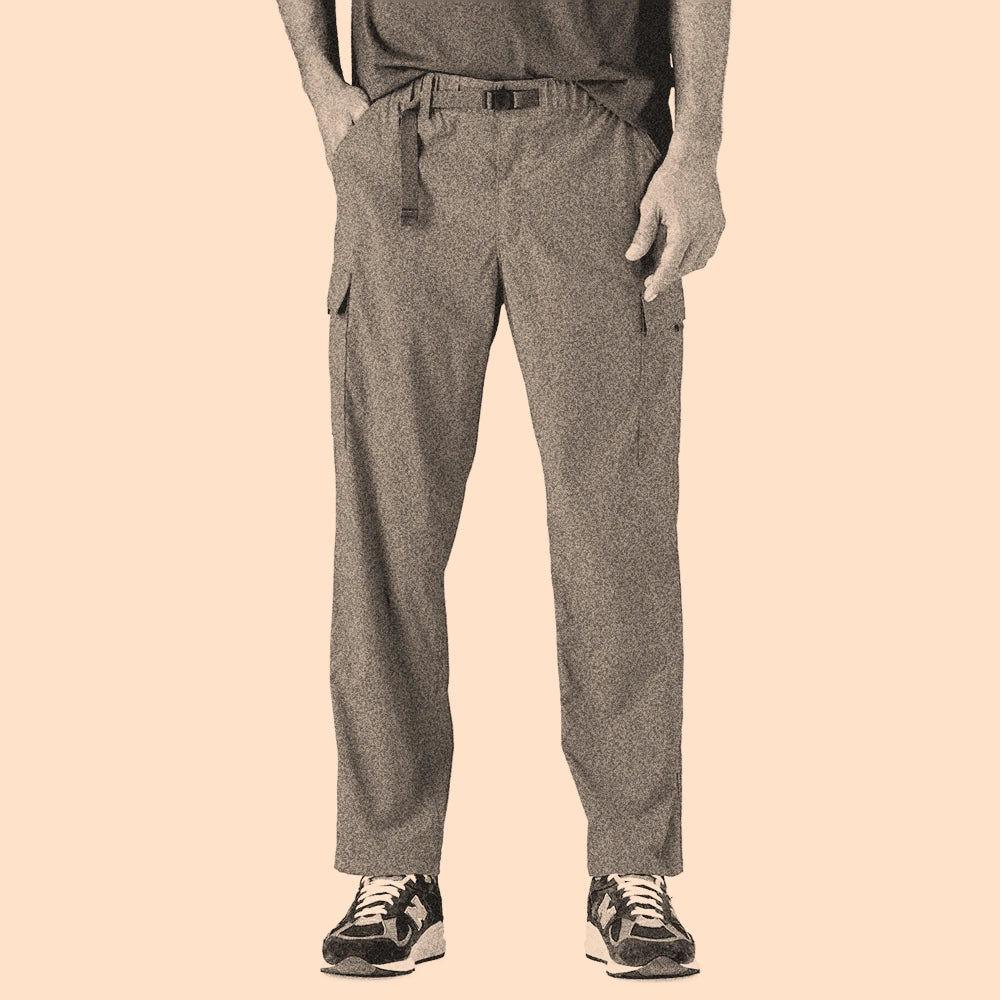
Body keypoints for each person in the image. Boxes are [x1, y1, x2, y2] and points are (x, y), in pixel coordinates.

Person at [275, 0, 729, 980]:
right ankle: (393, 868)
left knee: (617, 529)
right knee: (388, 523)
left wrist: (696, 148)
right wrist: (319, 83)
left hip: (597, 143)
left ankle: (631, 868)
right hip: (409, 139)